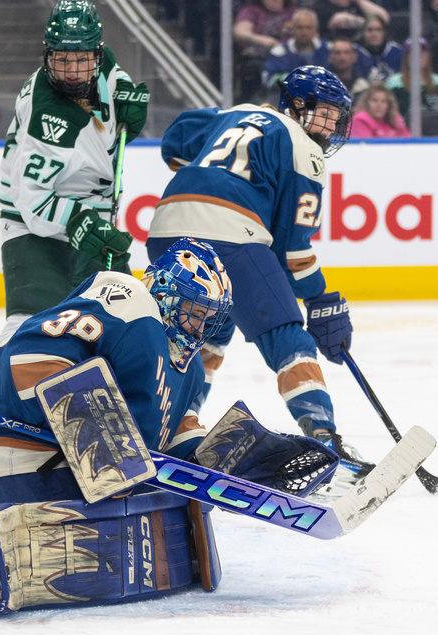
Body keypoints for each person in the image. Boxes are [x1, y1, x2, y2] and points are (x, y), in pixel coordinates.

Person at [0, 238, 337, 614]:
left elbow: (171, 442)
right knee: (114, 553)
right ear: (164, 292)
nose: (198, 325)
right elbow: (29, 354)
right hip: (18, 444)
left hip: (77, 469)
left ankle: (8, 539)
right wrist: (92, 434)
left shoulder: (186, 369)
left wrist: (242, 458)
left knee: (152, 546)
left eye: (207, 316)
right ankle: (5, 545)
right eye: (192, 310)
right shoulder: (131, 299)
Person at [0, 0, 150, 492]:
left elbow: (108, 113)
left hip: (87, 210)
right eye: (62, 59)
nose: (73, 69)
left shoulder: (104, 64)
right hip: (34, 223)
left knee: (102, 323)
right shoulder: (48, 115)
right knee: (27, 327)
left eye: (81, 58)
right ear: (47, 55)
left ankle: (85, 434)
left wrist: (125, 122)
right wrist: (81, 226)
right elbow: (33, 204)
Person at [144, 65, 363, 484]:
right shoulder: (305, 148)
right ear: (297, 108)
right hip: (231, 234)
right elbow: (292, 251)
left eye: (338, 117)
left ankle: (177, 427)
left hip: (165, 225)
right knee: (287, 337)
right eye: (326, 114)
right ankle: (324, 435)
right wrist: (319, 299)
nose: (332, 125)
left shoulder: (237, 112)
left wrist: (212, 174)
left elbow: (174, 141)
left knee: (201, 334)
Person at [233, 0, 296, 104]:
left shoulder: (293, 13)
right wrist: (262, 40)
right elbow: (240, 32)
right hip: (259, 59)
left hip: (288, 61)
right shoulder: (251, 11)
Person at [262, 9, 329, 98]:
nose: (304, 32)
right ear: (292, 28)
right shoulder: (279, 52)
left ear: (315, 29)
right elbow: (268, 79)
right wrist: (296, 78)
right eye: (299, 27)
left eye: (308, 27)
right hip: (286, 98)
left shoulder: (327, 48)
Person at [387, 37, 438, 116]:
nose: (418, 56)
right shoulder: (394, 83)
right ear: (406, 57)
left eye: (422, 52)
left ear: (428, 56)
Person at [355, 14, 404, 82]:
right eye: (369, 30)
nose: (374, 34)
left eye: (378, 30)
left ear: (385, 32)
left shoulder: (397, 51)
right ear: (363, 32)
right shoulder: (355, 54)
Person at [312, 0, 389, 41]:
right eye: (370, 29)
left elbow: (384, 18)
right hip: (335, 48)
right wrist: (369, 24)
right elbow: (338, 20)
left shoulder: (357, 4)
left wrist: (359, 1)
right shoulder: (322, 5)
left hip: (360, 48)